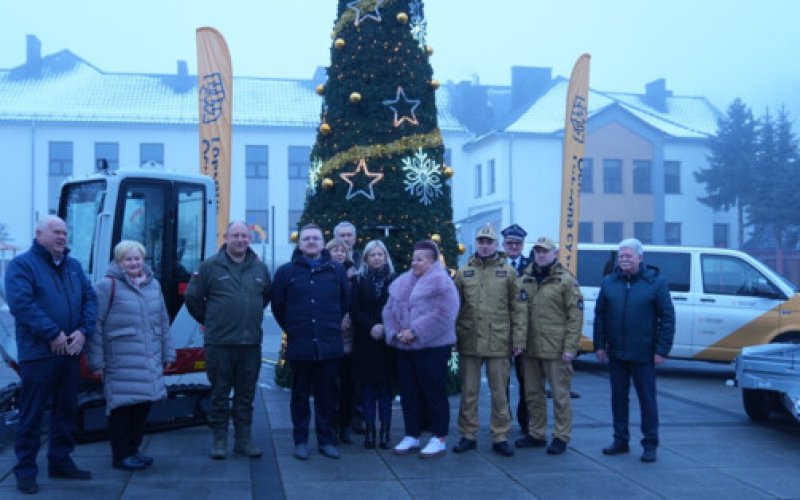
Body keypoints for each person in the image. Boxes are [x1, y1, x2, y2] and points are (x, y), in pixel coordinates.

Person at [4, 215, 97, 494]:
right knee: (32, 414)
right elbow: (22, 304)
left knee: (66, 409)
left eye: (65, 232)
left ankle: (60, 461)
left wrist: (83, 331)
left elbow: (90, 299)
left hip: (70, 351)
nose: (61, 237)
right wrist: (53, 333)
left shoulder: (73, 266)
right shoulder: (22, 266)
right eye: (56, 232)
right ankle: (25, 471)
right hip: (39, 354)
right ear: (39, 234)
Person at [185, 221, 272, 460]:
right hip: (219, 344)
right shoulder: (209, 267)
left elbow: (265, 297)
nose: (241, 240)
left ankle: (243, 440)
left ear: (249, 239)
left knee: (246, 396)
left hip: (250, 344)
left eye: (245, 236)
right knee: (219, 394)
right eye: (236, 236)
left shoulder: (259, 268)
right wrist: (211, 319)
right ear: (226, 237)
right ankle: (220, 440)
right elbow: (192, 299)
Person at [88, 240, 176, 470]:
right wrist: (96, 362)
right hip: (121, 359)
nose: (134, 263)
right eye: (128, 259)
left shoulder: (153, 285)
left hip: (149, 357)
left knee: (142, 406)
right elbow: (95, 325)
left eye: (137, 258)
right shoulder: (106, 286)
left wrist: (169, 353)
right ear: (118, 262)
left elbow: (163, 321)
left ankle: (133, 450)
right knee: (121, 408)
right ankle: (121, 455)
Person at [272, 224, 350, 460]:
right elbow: (278, 306)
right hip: (300, 345)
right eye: (307, 238)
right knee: (300, 396)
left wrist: (329, 325)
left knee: (326, 396)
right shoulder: (286, 272)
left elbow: (344, 302)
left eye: (316, 238)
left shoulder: (336, 271)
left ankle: (326, 441)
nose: (311, 242)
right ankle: (301, 441)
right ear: (299, 243)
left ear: (323, 242)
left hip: (328, 346)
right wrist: (295, 328)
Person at [593, 238, 675, 463]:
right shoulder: (609, 282)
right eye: (621, 257)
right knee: (618, 399)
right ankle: (620, 440)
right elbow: (600, 316)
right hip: (617, 353)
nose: (624, 260)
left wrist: (662, 350)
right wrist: (599, 345)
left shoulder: (656, 283)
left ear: (640, 258)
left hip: (644, 354)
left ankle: (650, 444)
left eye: (629, 256)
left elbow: (667, 318)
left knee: (647, 401)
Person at [452, 224, 526, 457]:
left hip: (499, 341)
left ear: (496, 245)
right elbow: (454, 307)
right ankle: (468, 434)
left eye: (489, 242)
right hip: (469, 340)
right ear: (476, 243)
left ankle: (500, 435)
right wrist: (451, 337)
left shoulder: (508, 272)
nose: (484, 246)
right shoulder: (464, 272)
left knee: (499, 392)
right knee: (469, 392)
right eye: (481, 241)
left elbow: (519, 309)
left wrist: (519, 339)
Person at [384, 240, 459, 458]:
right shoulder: (402, 282)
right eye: (413, 258)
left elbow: (444, 314)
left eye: (420, 259)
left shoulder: (442, 283)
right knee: (408, 392)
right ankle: (412, 435)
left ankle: (439, 437)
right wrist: (397, 332)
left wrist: (415, 331)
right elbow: (389, 310)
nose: (414, 262)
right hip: (404, 347)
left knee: (433, 392)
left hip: (433, 347)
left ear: (432, 261)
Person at [515, 236, 583, 455]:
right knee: (533, 394)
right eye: (537, 251)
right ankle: (536, 433)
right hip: (530, 348)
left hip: (556, 349)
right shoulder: (525, 278)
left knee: (560, 395)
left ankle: (561, 436)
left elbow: (575, 316)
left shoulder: (565, 280)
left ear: (555, 254)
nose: (541, 254)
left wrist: (570, 348)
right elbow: (517, 313)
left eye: (545, 251)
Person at [350, 240, 396, 449]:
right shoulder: (358, 280)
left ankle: (385, 432)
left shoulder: (395, 280)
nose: (377, 258)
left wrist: (385, 326)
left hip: (387, 342)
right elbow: (355, 309)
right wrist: (372, 326)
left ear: (386, 256)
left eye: (380, 254)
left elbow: (399, 308)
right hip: (365, 340)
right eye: (372, 255)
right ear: (366, 259)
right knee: (367, 390)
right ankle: (369, 431)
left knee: (385, 391)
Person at [326, 238, 356, 445]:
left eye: (342, 250)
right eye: (334, 250)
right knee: (329, 387)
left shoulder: (355, 276)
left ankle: (345, 426)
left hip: (351, 338)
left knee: (348, 385)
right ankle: (331, 427)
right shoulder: (324, 274)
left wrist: (349, 316)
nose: (339, 253)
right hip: (330, 337)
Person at [501, 223, 530, 436]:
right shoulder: (495, 266)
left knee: (527, 382)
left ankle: (526, 422)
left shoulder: (532, 267)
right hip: (500, 332)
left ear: (522, 245)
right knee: (501, 382)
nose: (513, 246)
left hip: (526, 333)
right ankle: (503, 421)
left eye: (517, 243)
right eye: (509, 243)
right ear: (503, 245)